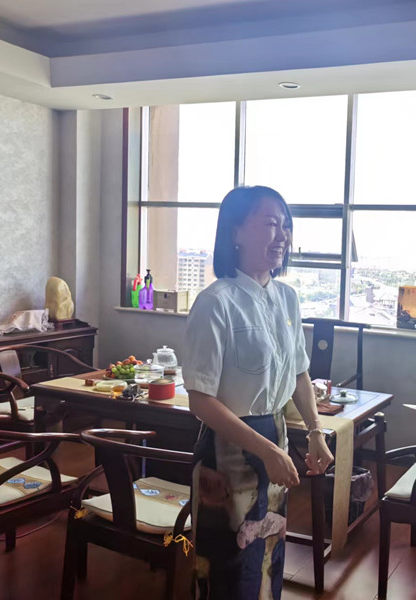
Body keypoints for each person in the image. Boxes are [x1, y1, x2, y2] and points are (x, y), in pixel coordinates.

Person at [183, 185, 334, 599]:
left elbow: (299, 371)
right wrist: (266, 450)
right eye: (270, 224)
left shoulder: (287, 298)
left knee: (267, 560)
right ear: (236, 233)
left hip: (275, 440)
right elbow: (200, 400)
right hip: (227, 451)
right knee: (228, 567)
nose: (282, 235)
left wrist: (315, 431)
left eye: (286, 226)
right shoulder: (216, 302)